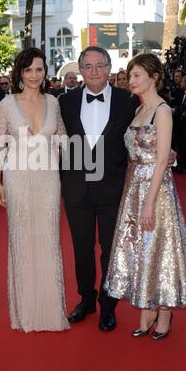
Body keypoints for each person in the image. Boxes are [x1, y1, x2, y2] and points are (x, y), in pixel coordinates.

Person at [104, 53, 186, 340]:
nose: (130, 81)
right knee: (141, 250)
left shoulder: (163, 111)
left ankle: (163, 312)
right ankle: (149, 308)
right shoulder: (138, 110)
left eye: (136, 75)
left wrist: (149, 202)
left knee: (159, 249)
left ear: (154, 78)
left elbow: (160, 161)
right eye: (129, 75)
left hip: (155, 191)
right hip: (134, 187)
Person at [59, 46, 140, 331]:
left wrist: (168, 151)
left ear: (109, 67)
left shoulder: (127, 100)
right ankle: (86, 300)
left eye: (100, 65)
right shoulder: (64, 102)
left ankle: (108, 304)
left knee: (109, 249)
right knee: (82, 248)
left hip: (112, 190)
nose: (94, 72)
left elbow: (144, 134)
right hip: (76, 190)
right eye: (88, 66)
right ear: (80, 70)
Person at [0, 47, 69, 333]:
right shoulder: (7, 104)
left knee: (48, 238)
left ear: (45, 72)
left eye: (39, 69)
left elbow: (61, 136)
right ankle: (25, 309)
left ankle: (49, 309)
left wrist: (54, 152)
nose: (35, 75)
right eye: (29, 70)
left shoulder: (53, 102)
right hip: (17, 177)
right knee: (22, 238)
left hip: (48, 177)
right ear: (20, 73)